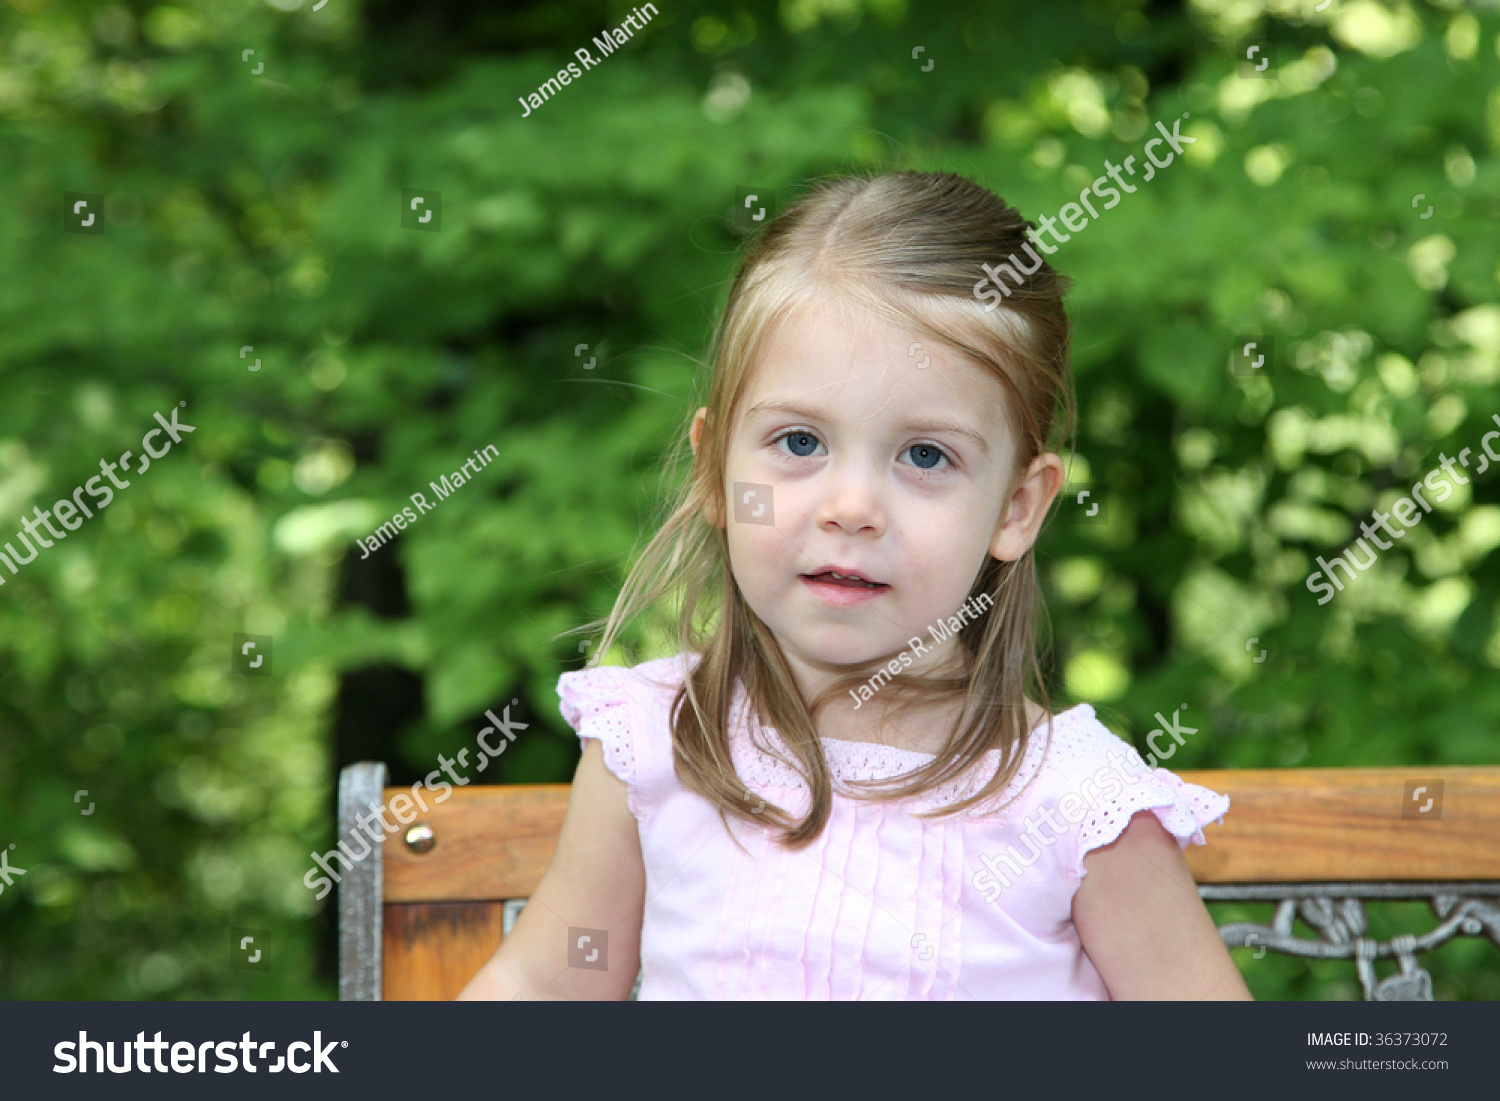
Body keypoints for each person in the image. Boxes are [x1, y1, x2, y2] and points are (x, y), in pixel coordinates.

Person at [458, 170, 1251, 1001]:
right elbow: (553, 983)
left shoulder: (1075, 803)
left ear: (1018, 507)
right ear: (714, 470)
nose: (852, 508)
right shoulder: (659, 743)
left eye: (925, 456)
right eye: (799, 442)